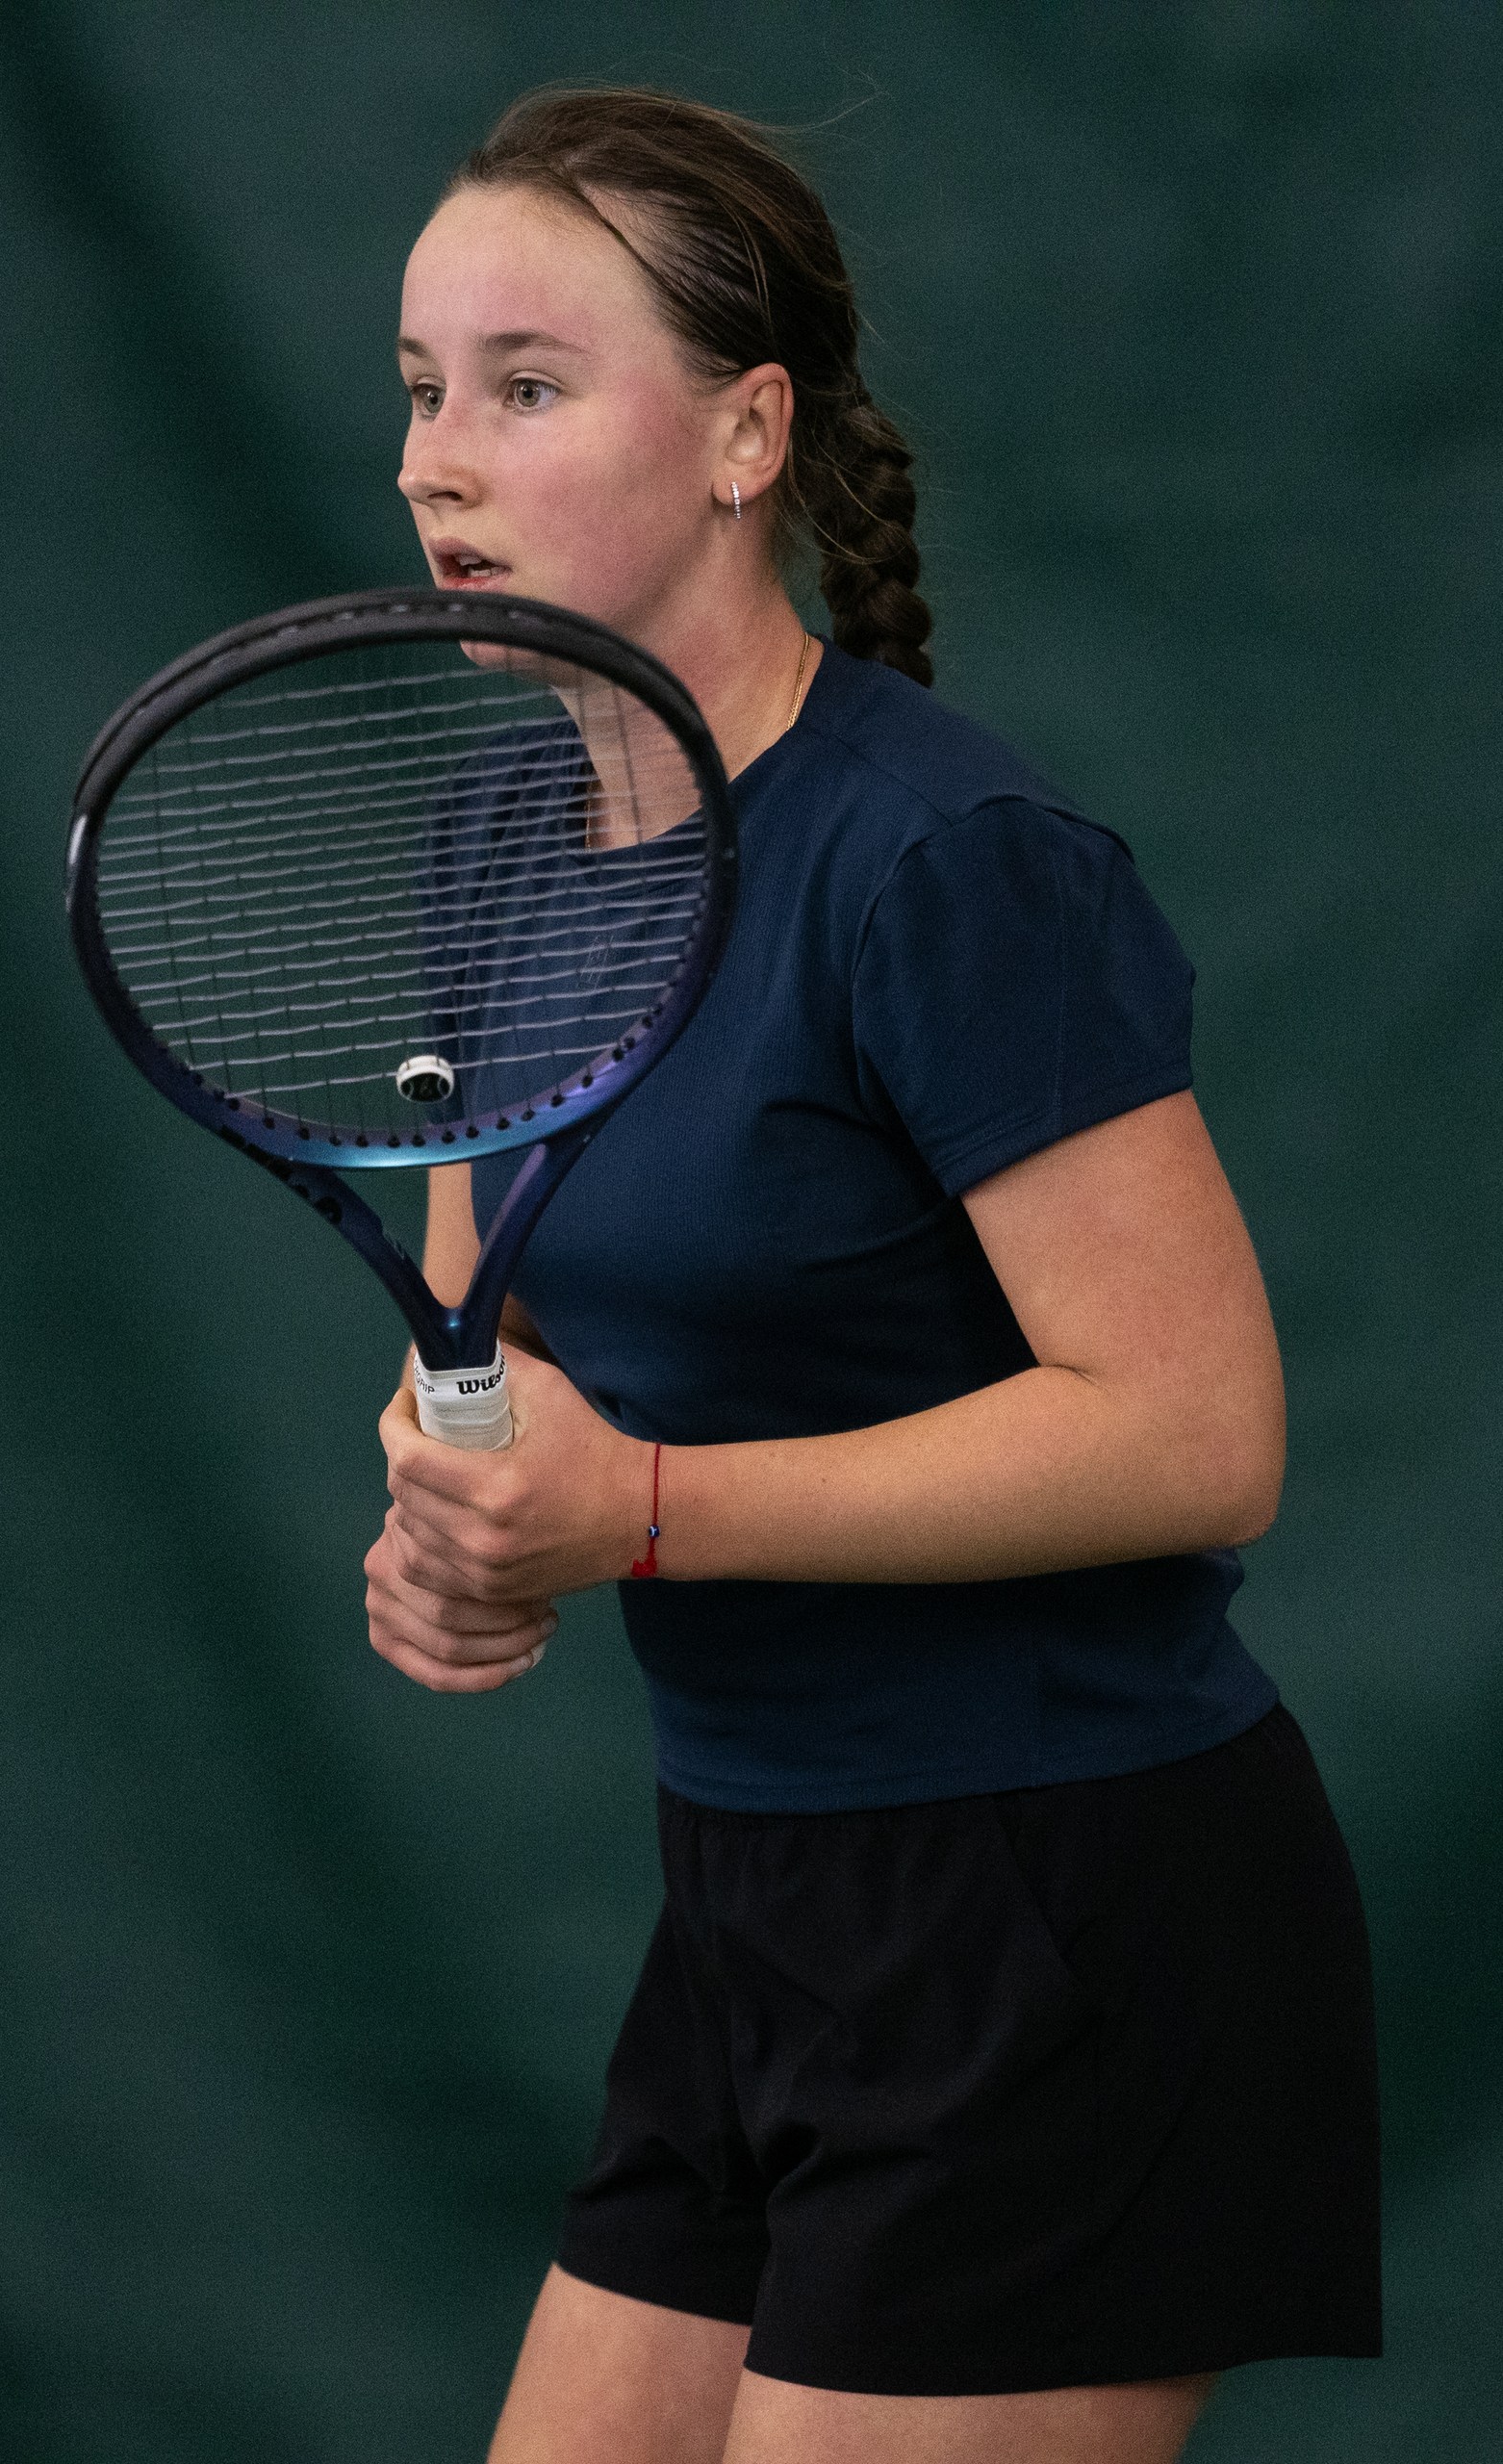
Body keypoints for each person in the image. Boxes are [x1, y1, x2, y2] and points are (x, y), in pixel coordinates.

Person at [363, 87, 1380, 2464]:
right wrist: (447, 1511)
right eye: (417, 388)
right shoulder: (495, 842)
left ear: (746, 435)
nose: (435, 460)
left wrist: (634, 1512)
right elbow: (485, 1329)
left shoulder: (945, 859)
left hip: (1059, 1907)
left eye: (527, 385)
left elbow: (1194, 1430)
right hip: (746, 1905)